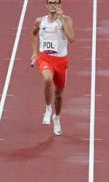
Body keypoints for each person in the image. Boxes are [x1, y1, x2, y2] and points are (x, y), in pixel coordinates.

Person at [30, 0, 75, 136]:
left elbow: (72, 38)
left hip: (61, 61)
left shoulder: (66, 19)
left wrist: (61, 19)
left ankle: (56, 117)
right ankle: (48, 108)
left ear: (59, 5)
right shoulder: (40, 21)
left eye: (56, 2)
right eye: (50, 2)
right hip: (45, 58)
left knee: (59, 95)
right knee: (48, 79)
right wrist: (34, 52)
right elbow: (33, 34)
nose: (53, 5)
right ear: (47, 5)